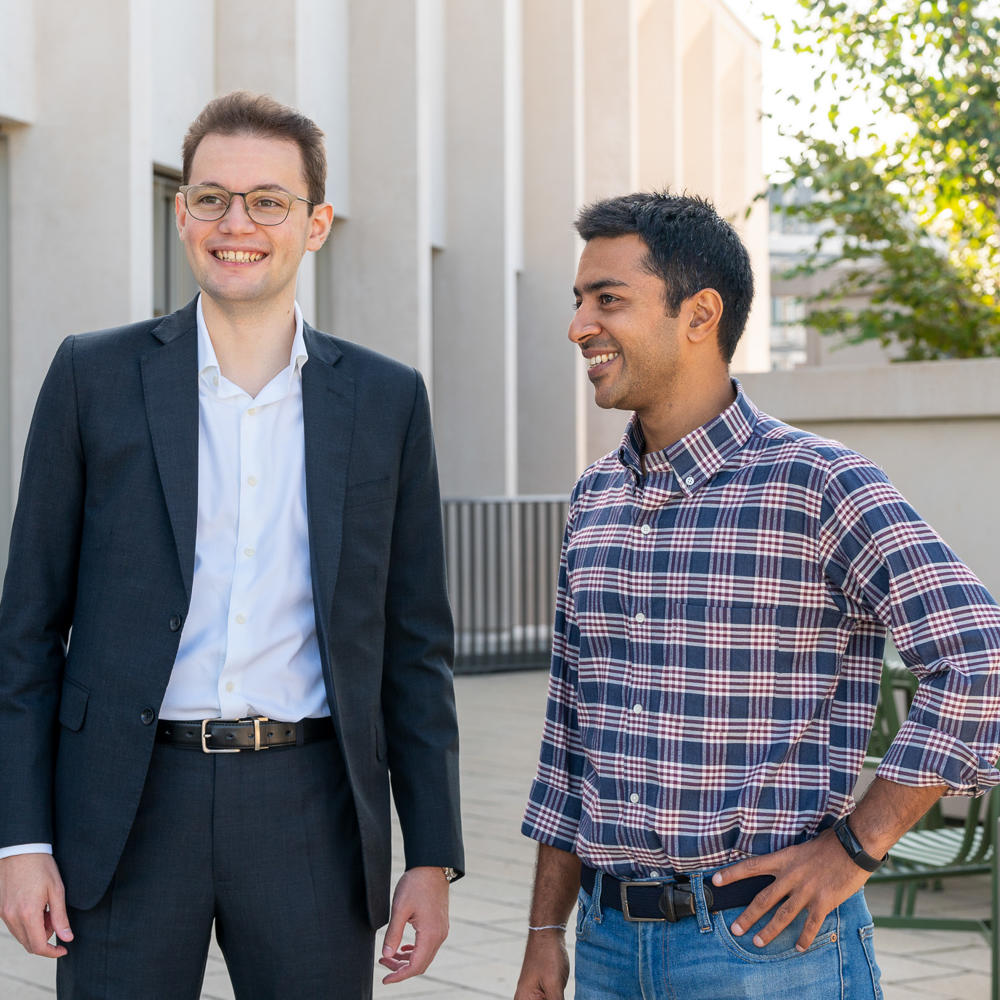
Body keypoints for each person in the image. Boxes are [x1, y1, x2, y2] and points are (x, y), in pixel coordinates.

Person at [0, 91, 463, 1000]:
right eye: (210, 197)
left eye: (268, 201)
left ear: (316, 222)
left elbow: (415, 648)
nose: (235, 222)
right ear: (182, 216)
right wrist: (21, 840)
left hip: (309, 813)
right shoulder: (91, 376)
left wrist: (432, 856)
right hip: (124, 812)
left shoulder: (385, 401)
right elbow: (25, 633)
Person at [513, 191, 1000, 1000]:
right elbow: (570, 738)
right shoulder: (593, 499)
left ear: (699, 314)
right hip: (604, 946)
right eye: (578, 301)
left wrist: (856, 847)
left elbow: (978, 654)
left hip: (768, 952)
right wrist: (541, 933)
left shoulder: (818, 483)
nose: (579, 327)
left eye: (608, 300)